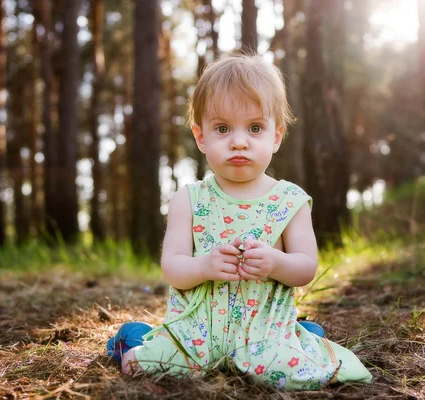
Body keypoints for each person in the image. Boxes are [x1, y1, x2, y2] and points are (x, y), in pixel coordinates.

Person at [107, 55, 372, 390]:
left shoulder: (290, 200)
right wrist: (204, 265)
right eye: (222, 128)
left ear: (276, 137)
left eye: (255, 128)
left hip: (262, 333)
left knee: (275, 370)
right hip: (197, 333)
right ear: (201, 137)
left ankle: (298, 336)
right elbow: (173, 267)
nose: (239, 141)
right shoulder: (188, 199)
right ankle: (134, 340)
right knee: (141, 366)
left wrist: (275, 262)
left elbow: (305, 267)